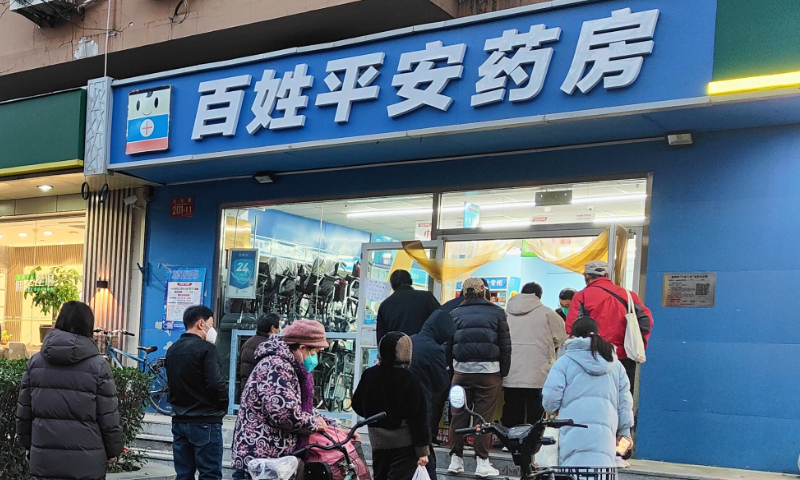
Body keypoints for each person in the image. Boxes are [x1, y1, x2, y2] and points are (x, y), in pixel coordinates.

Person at [16, 301, 123, 480]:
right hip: (87, 461)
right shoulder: (98, 366)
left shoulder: (35, 363)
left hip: (44, 458)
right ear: (88, 326)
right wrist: (113, 450)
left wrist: (28, 446)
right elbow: (108, 415)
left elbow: (24, 412)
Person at [231, 319, 335, 480]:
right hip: (261, 462)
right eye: (314, 352)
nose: (315, 358)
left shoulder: (289, 367)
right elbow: (285, 414)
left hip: (275, 462)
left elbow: (301, 408)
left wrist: (333, 427)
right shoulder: (276, 366)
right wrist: (314, 424)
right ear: (302, 348)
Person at [542, 317, 634, 467]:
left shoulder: (564, 363)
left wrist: (554, 411)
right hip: (606, 433)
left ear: (572, 336)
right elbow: (625, 401)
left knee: (573, 471)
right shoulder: (616, 365)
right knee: (601, 471)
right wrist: (625, 431)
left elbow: (550, 399)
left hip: (572, 428)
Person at [446, 278, 511, 478]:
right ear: (485, 293)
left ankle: (455, 460)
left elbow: (448, 345)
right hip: (489, 373)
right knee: (483, 418)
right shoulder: (497, 313)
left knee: (458, 415)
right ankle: (482, 462)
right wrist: (504, 371)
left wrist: (452, 371)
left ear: (464, 294)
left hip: (461, 372)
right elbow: (505, 345)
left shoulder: (454, 314)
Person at [353, 332, 432, 480]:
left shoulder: (369, 374)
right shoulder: (409, 378)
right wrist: (422, 450)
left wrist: (373, 414)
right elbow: (419, 418)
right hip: (404, 442)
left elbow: (357, 405)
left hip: (377, 441)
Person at [565, 261, 653, 388]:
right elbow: (646, 321)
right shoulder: (629, 295)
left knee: (595, 396)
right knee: (622, 397)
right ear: (607, 275)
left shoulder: (582, 296)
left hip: (592, 356)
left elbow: (572, 327)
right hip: (624, 356)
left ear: (586, 276)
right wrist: (638, 343)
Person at [165, 305, 229, 480]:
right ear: (201, 323)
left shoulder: (172, 350)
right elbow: (217, 385)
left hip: (179, 419)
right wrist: (222, 407)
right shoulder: (207, 349)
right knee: (209, 474)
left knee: (184, 474)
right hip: (205, 420)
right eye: (211, 323)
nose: (212, 328)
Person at [502, 282, 567, 429]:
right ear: (539, 296)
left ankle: (510, 439)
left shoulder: (505, 313)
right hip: (538, 369)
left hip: (511, 369)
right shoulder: (548, 313)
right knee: (535, 406)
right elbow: (561, 337)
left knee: (512, 404)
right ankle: (533, 439)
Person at [409, 309, 457, 446]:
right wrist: (446, 369)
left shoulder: (409, 340)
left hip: (405, 403)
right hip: (423, 402)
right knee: (425, 455)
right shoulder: (435, 350)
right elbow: (442, 383)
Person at [376, 269, 440, 343]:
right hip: (424, 348)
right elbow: (441, 319)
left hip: (397, 350)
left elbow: (381, 339)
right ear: (411, 281)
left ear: (392, 285)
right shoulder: (426, 297)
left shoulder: (385, 305)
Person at [237, 313, 281, 391]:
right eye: (279, 327)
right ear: (272, 328)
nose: (280, 330)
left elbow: (239, 369)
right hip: (262, 391)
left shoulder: (247, 342)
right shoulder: (269, 345)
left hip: (246, 390)